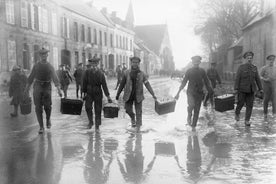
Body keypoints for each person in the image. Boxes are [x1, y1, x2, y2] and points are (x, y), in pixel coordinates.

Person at [25, 48, 62, 134]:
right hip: (37, 86)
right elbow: (30, 78)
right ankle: (41, 126)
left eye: (45, 54)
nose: (43, 56)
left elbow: (55, 78)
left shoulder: (50, 66)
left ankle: (48, 119)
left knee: (47, 106)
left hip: (47, 87)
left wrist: (59, 90)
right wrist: (26, 89)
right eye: (42, 55)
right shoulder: (36, 66)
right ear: (40, 56)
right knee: (38, 107)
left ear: (47, 55)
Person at [115, 56, 157, 132]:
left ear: (139, 64)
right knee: (128, 110)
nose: (135, 64)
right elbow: (122, 84)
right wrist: (118, 94)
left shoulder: (142, 74)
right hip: (128, 95)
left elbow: (147, 84)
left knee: (139, 112)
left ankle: (138, 131)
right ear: (131, 63)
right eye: (133, 62)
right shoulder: (126, 73)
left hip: (138, 95)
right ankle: (132, 117)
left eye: (137, 63)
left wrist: (153, 94)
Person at [175, 55, 213, 129]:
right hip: (190, 93)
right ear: (192, 62)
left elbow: (207, 81)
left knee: (197, 110)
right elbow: (184, 82)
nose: (196, 64)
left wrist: (210, 89)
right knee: (191, 105)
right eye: (195, 62)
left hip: (199, 93)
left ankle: (193, 127)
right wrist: (178, 93)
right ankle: (189, 116)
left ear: (199, 62)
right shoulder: (189, 71)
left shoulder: (202, 71)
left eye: (197, 62)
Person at [82, 58, 112, 130]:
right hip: (89, 93)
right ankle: (90, 122)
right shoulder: (87, 72)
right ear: (91, 64)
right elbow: (84, 83)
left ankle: (97, 125)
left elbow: (104, 85)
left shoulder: (101, 74)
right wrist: (84, 93)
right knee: (88, 107)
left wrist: (108, 96)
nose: (94, 66)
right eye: (92, 64)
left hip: (98, 93)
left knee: (98, 110)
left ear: (97, 64)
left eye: (95, 64)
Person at [234, 51, 263, 126]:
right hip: (242, 89)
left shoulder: (254, 68)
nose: (249, 59)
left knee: (250, 105)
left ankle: (247, 120)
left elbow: (257, 79)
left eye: (250, 58)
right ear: (245, 59)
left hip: (251, 90)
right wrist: (236, 89)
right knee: (240, 103)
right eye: (248, 58)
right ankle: (237, 113)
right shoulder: (241, 67)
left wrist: (261, 88)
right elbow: (237, 78)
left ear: (252, 59)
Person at [260, 54, 276, 121]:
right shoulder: (264, 68)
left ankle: (274, 114)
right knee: (266, 99)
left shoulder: (275, 68)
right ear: (268, 60)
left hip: (274, 85)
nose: (271, 61)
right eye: (270, 60)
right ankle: (265, 114)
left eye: (273, 60)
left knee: (274, 100)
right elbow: (260, 76)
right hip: (266, 85)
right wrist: (265, 79)